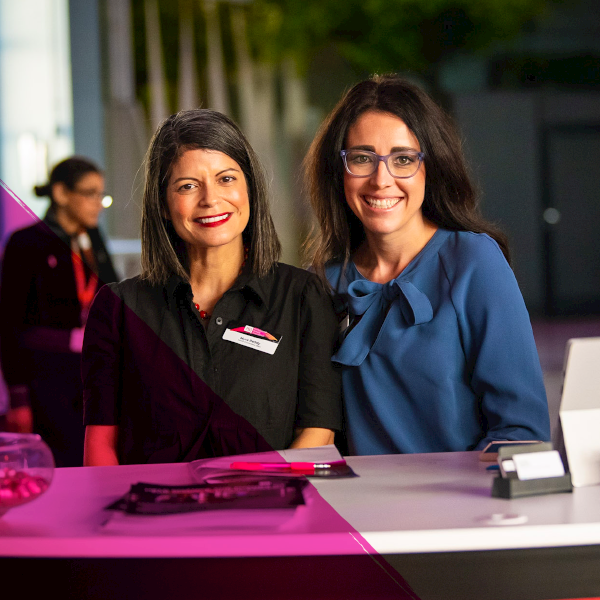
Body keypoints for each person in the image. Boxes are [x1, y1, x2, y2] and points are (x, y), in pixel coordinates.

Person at [304, 75, 551, 455]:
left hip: (464, 504)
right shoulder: (323, 284)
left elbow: (521, 430)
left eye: (403, 159)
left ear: (430, 168)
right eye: (362, 159)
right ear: (339, 172)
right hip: (358, 508)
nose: (381, 180)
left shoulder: (473, 261)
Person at [82, 109, 341, 466]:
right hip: (152, 516)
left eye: (226, 179)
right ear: (162, 204)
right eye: (187, 186)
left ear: (249, 186)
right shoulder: (119, 309)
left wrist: (264, 499)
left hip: (268, 511)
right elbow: (101, 445)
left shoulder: (302, 297)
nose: (210, 199)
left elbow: (318, 432)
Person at [0, 157, 118, 466]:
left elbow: (112, 291)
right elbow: (11, 325)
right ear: (61, 194)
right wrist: (18, 398)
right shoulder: (26, 243)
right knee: (58, 466)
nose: (97, 204)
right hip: (46, 381)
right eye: (89, 194)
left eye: (101, 195)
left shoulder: (92, 238)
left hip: (90, 376)